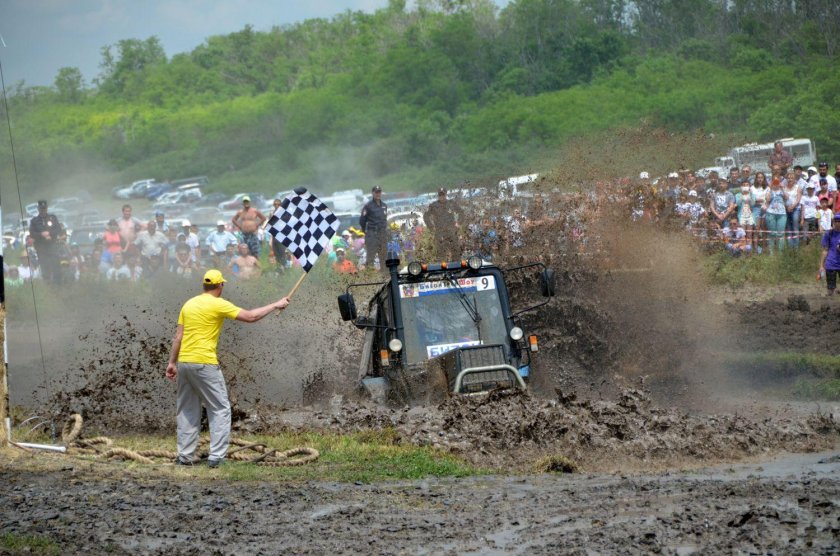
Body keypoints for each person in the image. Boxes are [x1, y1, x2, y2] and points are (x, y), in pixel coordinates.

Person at [165, 269, 290, 467]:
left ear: (204, 285)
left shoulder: (188, 304)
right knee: (220, 409)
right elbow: (250, 317)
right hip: (204, 363)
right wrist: (276, 304)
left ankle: (185, 457)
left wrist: (172, 363)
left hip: (184, 363)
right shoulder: (218, 304)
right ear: (220, 285)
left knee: (187, 410)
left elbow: (178, 337)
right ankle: (216, 457)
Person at [28, 200, 63, 283]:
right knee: (45, 267)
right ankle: (47, 284)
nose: (43, 210)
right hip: (41, 248)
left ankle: (58, 284)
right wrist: (41, 234)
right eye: (41, 209)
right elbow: (32, 233)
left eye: (44, 208)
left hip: (52, 246)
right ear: (38, 209)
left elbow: (58, 229)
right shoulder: (34, 221)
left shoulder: (53, 218)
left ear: (47, 208)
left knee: (56, 266)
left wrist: (49, 233)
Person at [424, 187, 462, 260]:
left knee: (456, 252)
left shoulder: (451, 203)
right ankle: (442, 266)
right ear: (438, 195)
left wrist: (458, 223)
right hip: (440, 232)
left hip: (451, 231)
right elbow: (426, 216)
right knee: (441, 254)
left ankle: (456, 265)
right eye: (440, 195)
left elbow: (461, 212)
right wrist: (431, 227)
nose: (442, 196)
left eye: (443, 195)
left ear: (446, 194)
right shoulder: (433, 205)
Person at [359, 186, 388, 270]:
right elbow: (362, 221)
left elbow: (384, 220)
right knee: (371, 257)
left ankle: (384, 274)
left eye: (379, 192)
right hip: (372, 234)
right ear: (372, 193)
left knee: (383, 256)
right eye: (376, 192)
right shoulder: (368, 206)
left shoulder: (384, 205)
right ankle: (370, 275)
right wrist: (365, 231)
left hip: (382, 234)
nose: (378, 194)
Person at [764, 177, 788, 252]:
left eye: (777, 182)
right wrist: (770, 188)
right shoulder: (769, 190)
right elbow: (767, 199)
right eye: (774, 182)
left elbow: (787, 197)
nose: (776, 183)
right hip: (770, 213)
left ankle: (780, 252)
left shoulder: (782, 190)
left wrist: (782, 188)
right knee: (772, 233)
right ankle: (771, 252)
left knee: (781, 234)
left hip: (782, 214)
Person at [818, 215, 840, 296]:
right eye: (836, 221)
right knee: (830, 291)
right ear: (833, 222)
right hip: (831, 264)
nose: (837, 223)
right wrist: (821, 266)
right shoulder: (829, 234)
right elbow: (825, 251)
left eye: (839, 221)